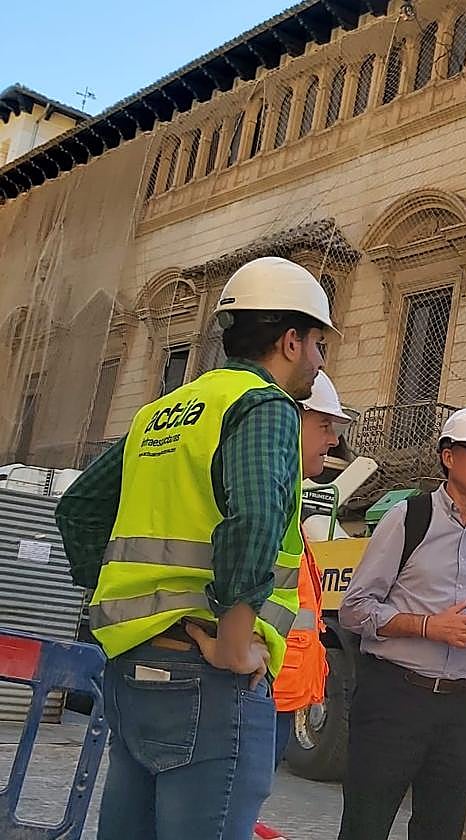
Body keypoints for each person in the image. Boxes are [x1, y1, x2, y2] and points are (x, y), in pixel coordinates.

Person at [56, 255, 335, 840]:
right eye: (318, 344)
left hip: (133, 667)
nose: (318, 360)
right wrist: (235, 643)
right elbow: (256, 517)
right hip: (207, 678)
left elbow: (78, 507)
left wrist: (120, 605)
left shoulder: (162, 412)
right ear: (290, 340)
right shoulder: (266, 407)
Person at [337, 405, 466, 840]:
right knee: (366, 825)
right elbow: (355, 608)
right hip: (395, 697)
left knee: (442, 828)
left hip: (461, 706)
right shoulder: (408, 518)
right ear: (448, 456)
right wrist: (426, 627)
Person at [270, 370, 351, 768]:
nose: (333, 440)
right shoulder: (265, 499)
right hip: (257, 695)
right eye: (324, 425)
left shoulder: (287, 506)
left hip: (276, 695)